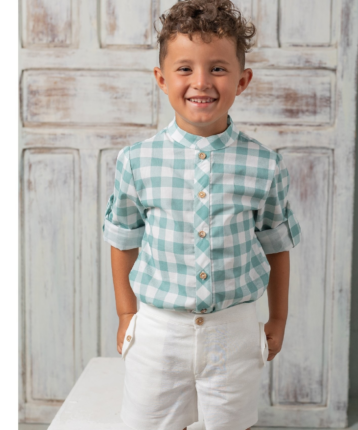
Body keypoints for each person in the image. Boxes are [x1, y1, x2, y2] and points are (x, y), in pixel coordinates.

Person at [102, 1, 302, 429]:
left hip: (233, 332)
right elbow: (123, 238)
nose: (201, 82)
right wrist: (125, 313)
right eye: (184, 68)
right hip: (158, 332)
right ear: (161, 78)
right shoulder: (136, 161)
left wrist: (278, 317)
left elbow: (276, 245)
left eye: (217, 68)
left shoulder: (265, 165)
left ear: (242, 80)